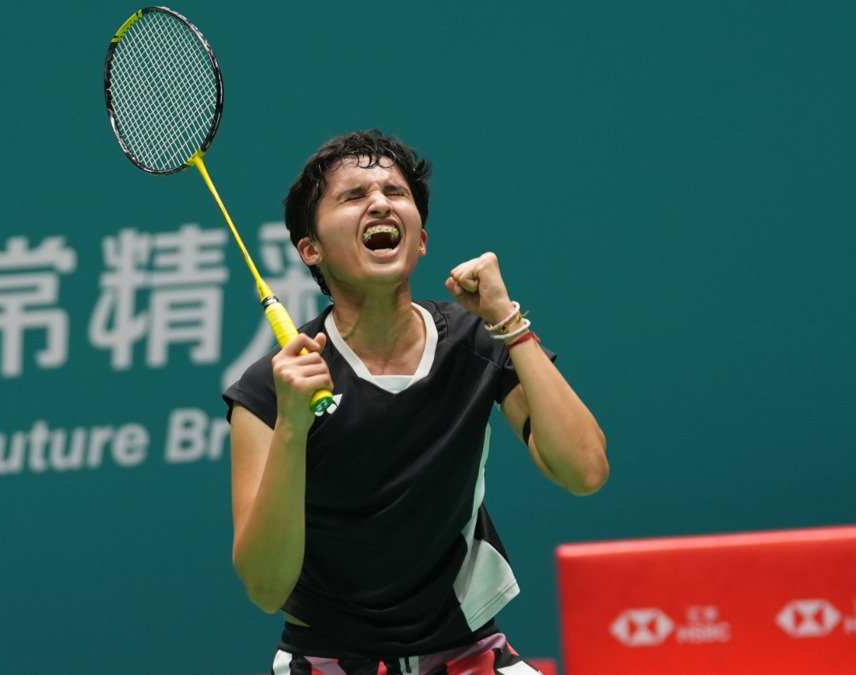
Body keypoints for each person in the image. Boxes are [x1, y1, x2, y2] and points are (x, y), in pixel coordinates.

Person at [222, 130, 608, 675]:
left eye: (395, 192)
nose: (380, 203)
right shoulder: (270, 389)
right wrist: (291, 424)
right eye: (353, 195)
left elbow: (585, 471)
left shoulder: (477, 341)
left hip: (467, 650)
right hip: (330, 659)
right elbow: (265, 587)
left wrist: (507, 321)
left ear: (421, 239)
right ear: (310, 249)